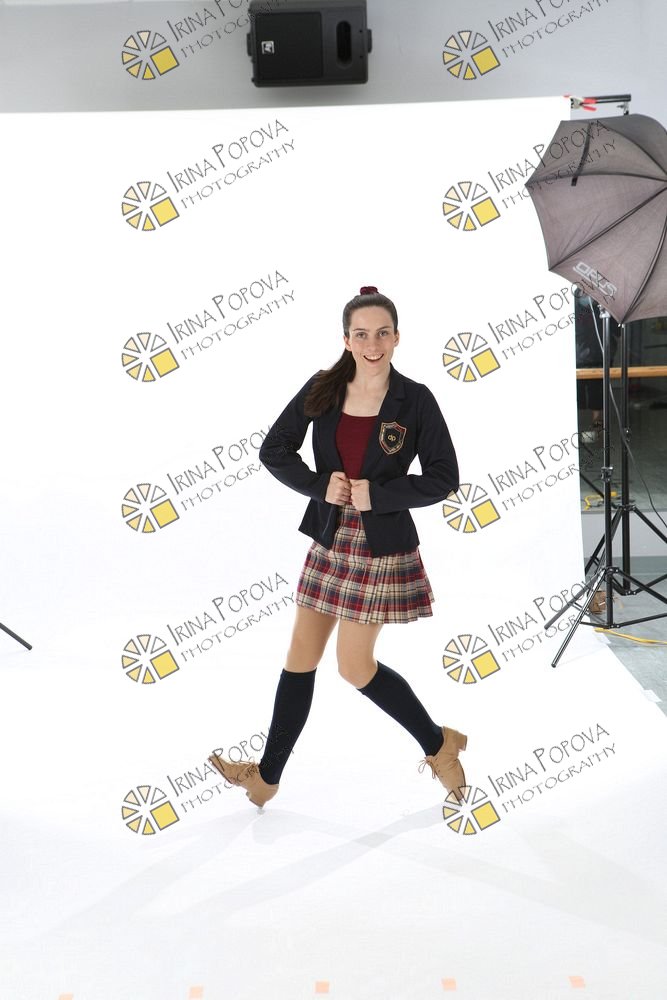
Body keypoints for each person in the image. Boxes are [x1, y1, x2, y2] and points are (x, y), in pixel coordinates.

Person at [209, 286, 468, 807]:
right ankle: (267, 777)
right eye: (361, 334)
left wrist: (380, 494)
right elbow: (274, 449)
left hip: (380, 547)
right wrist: (317, 485)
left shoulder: (415, 399)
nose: (373, 344)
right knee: (300, 655)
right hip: (330, 538)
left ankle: (438, 744)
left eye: (382, 333)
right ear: (346, 339)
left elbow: (445, 478)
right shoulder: (323, 388)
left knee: (354, 666)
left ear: (397, 337)